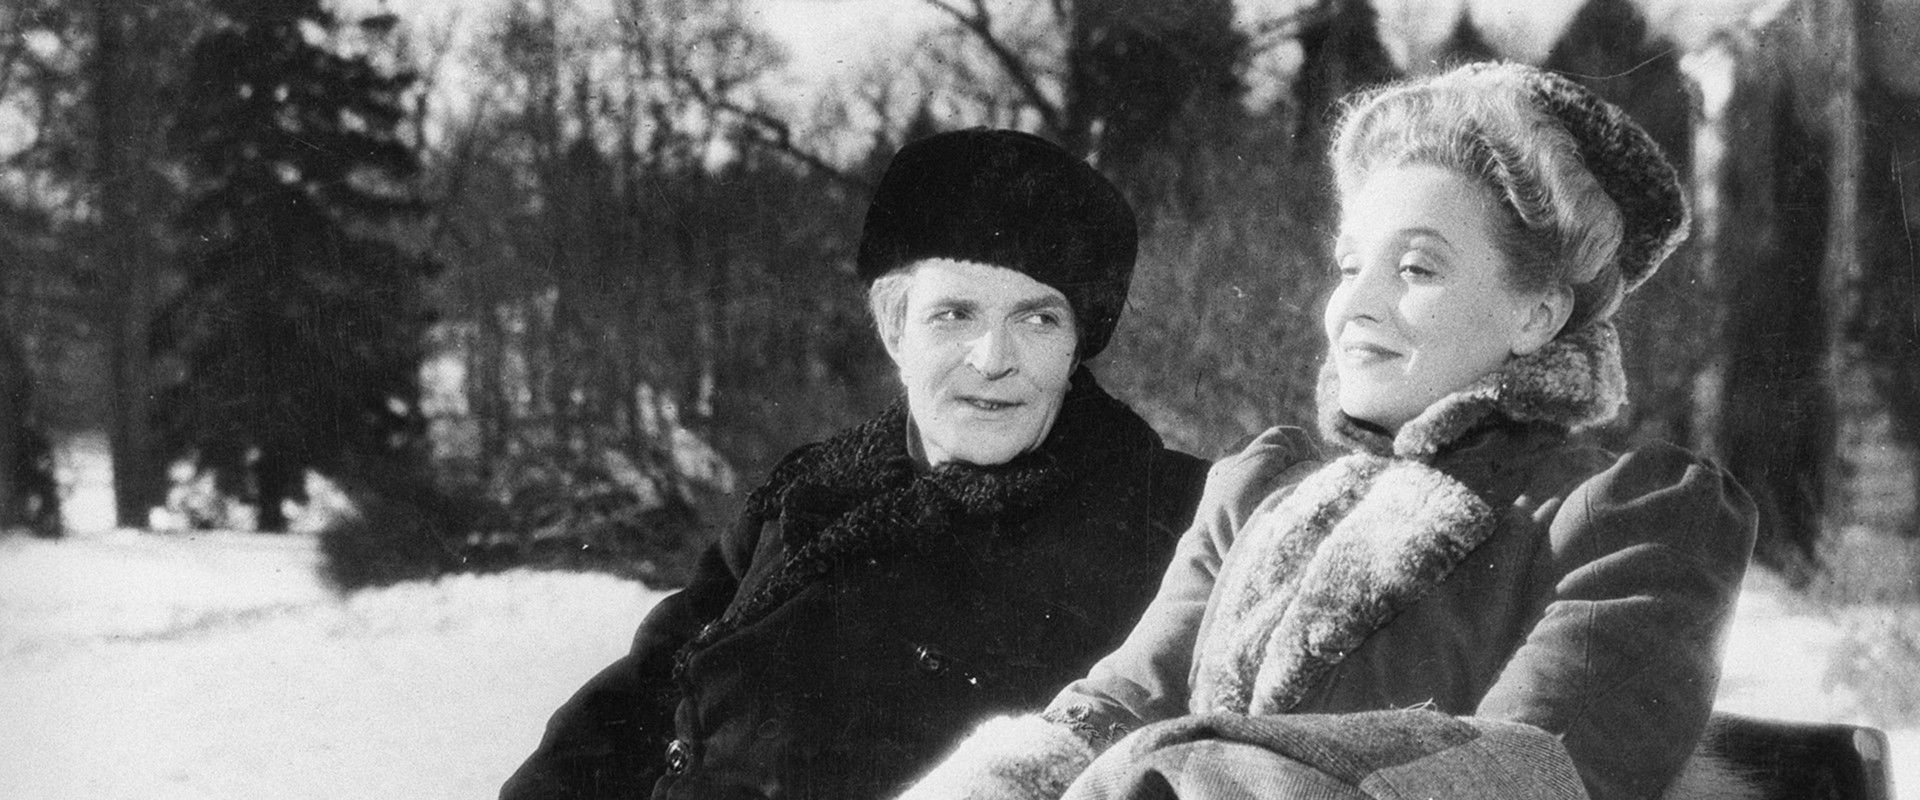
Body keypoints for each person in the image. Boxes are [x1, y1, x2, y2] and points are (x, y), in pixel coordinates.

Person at [900, 62, 1758, 800]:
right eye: (1350, 265)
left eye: (1416, 267)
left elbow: (1525, 771)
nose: (1355, 304)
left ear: (1536, 313)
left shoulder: (1633, 513)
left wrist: (1184, 776)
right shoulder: (1259, 494)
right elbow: (1113, 712)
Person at [500, 128, 1211, 800]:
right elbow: (633, 704)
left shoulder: (1176, 523)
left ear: (1077, 344)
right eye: (955, 315)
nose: (993, 359)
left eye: (1037, 318)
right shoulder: (811, 494)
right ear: (896, 330)